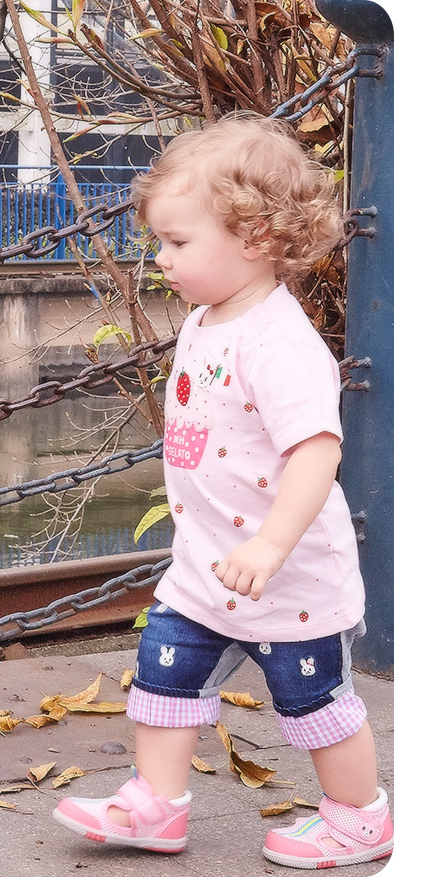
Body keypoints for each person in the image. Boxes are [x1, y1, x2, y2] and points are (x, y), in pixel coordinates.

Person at [52, 113, 393, 870]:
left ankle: (360, 817)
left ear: (257, 236)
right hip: (206, 569)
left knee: (314, 703)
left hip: (287, 577)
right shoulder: (209, 320)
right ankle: (156, 803)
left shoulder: (280, 343)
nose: (162, 260)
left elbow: (316, 451)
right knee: (164, 674)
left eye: (178, 243)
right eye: (161, 243)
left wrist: (272, 543)